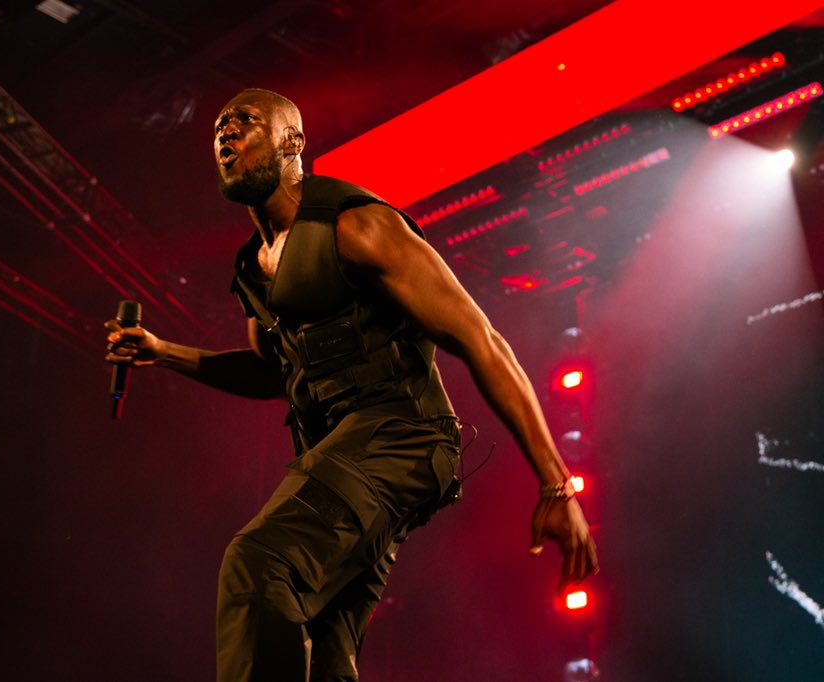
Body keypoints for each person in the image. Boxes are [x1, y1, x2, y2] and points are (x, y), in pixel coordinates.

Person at [106, 88, 598, 681]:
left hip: (402, 437)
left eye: (246, 122)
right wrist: (165, 353)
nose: (225, 133)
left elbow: (483, 341)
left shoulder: (358, 226)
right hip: (349, 454)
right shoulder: (252, 268)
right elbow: (274, 373)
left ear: (293, 142)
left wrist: (556, 486)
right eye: (219, 126)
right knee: (322, 648)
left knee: (260, 563)